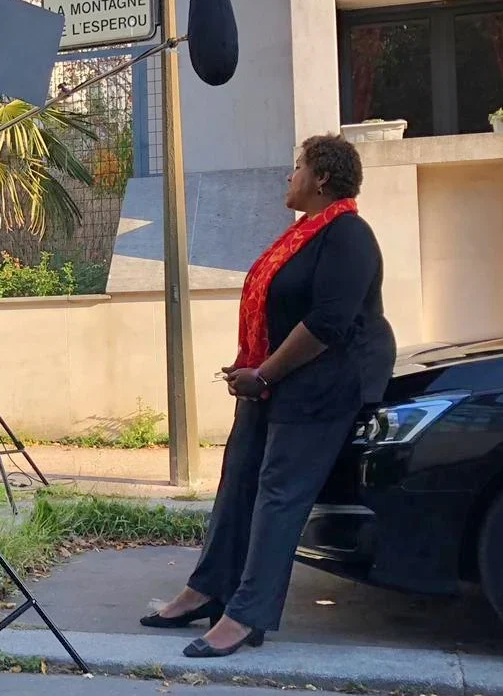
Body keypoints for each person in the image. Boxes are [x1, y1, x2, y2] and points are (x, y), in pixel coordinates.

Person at [139, 134, 395, 659]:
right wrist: (251, 369)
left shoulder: (348, 235)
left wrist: (266, 374)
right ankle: (207, 589)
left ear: (322, 177)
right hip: (273, 380)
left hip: (324, 385)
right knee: (238, 486)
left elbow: (327, 323)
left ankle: (246, 616)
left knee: (278, 496)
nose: (289, 175)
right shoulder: (304, 234)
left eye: (297, 166)